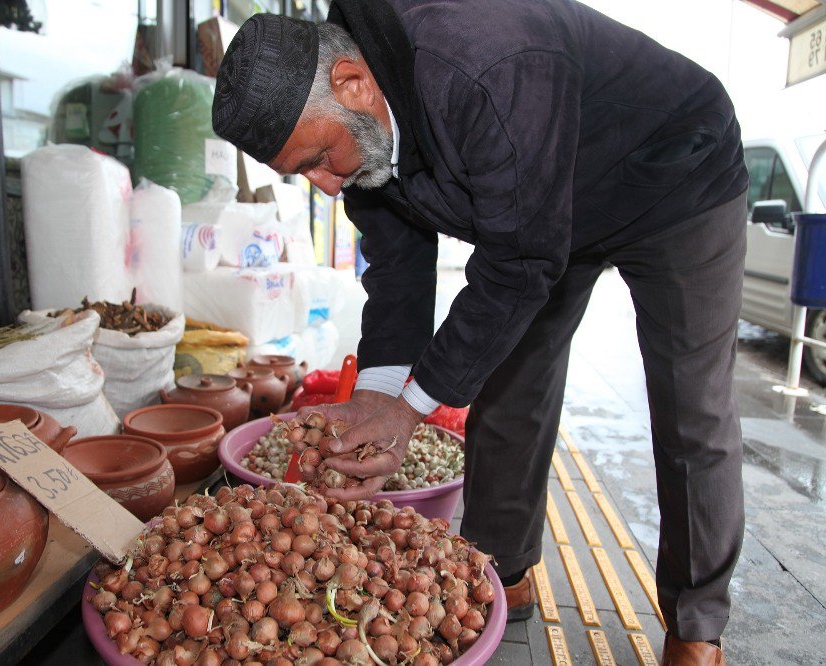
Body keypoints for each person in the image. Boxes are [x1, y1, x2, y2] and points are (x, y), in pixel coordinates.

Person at [213, 1, 747, 663]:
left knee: (690, 407)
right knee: (510, 389)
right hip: (545, 202)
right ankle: (504, 570)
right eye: (303, 174)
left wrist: (412, 410)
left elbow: (520, 263)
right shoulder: (356, 125)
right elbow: (399, 260)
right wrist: (381, 394)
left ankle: (696, 626)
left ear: (353, 83)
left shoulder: (484, 63)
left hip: (674, 175)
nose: (324, 187)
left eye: (321, 158)